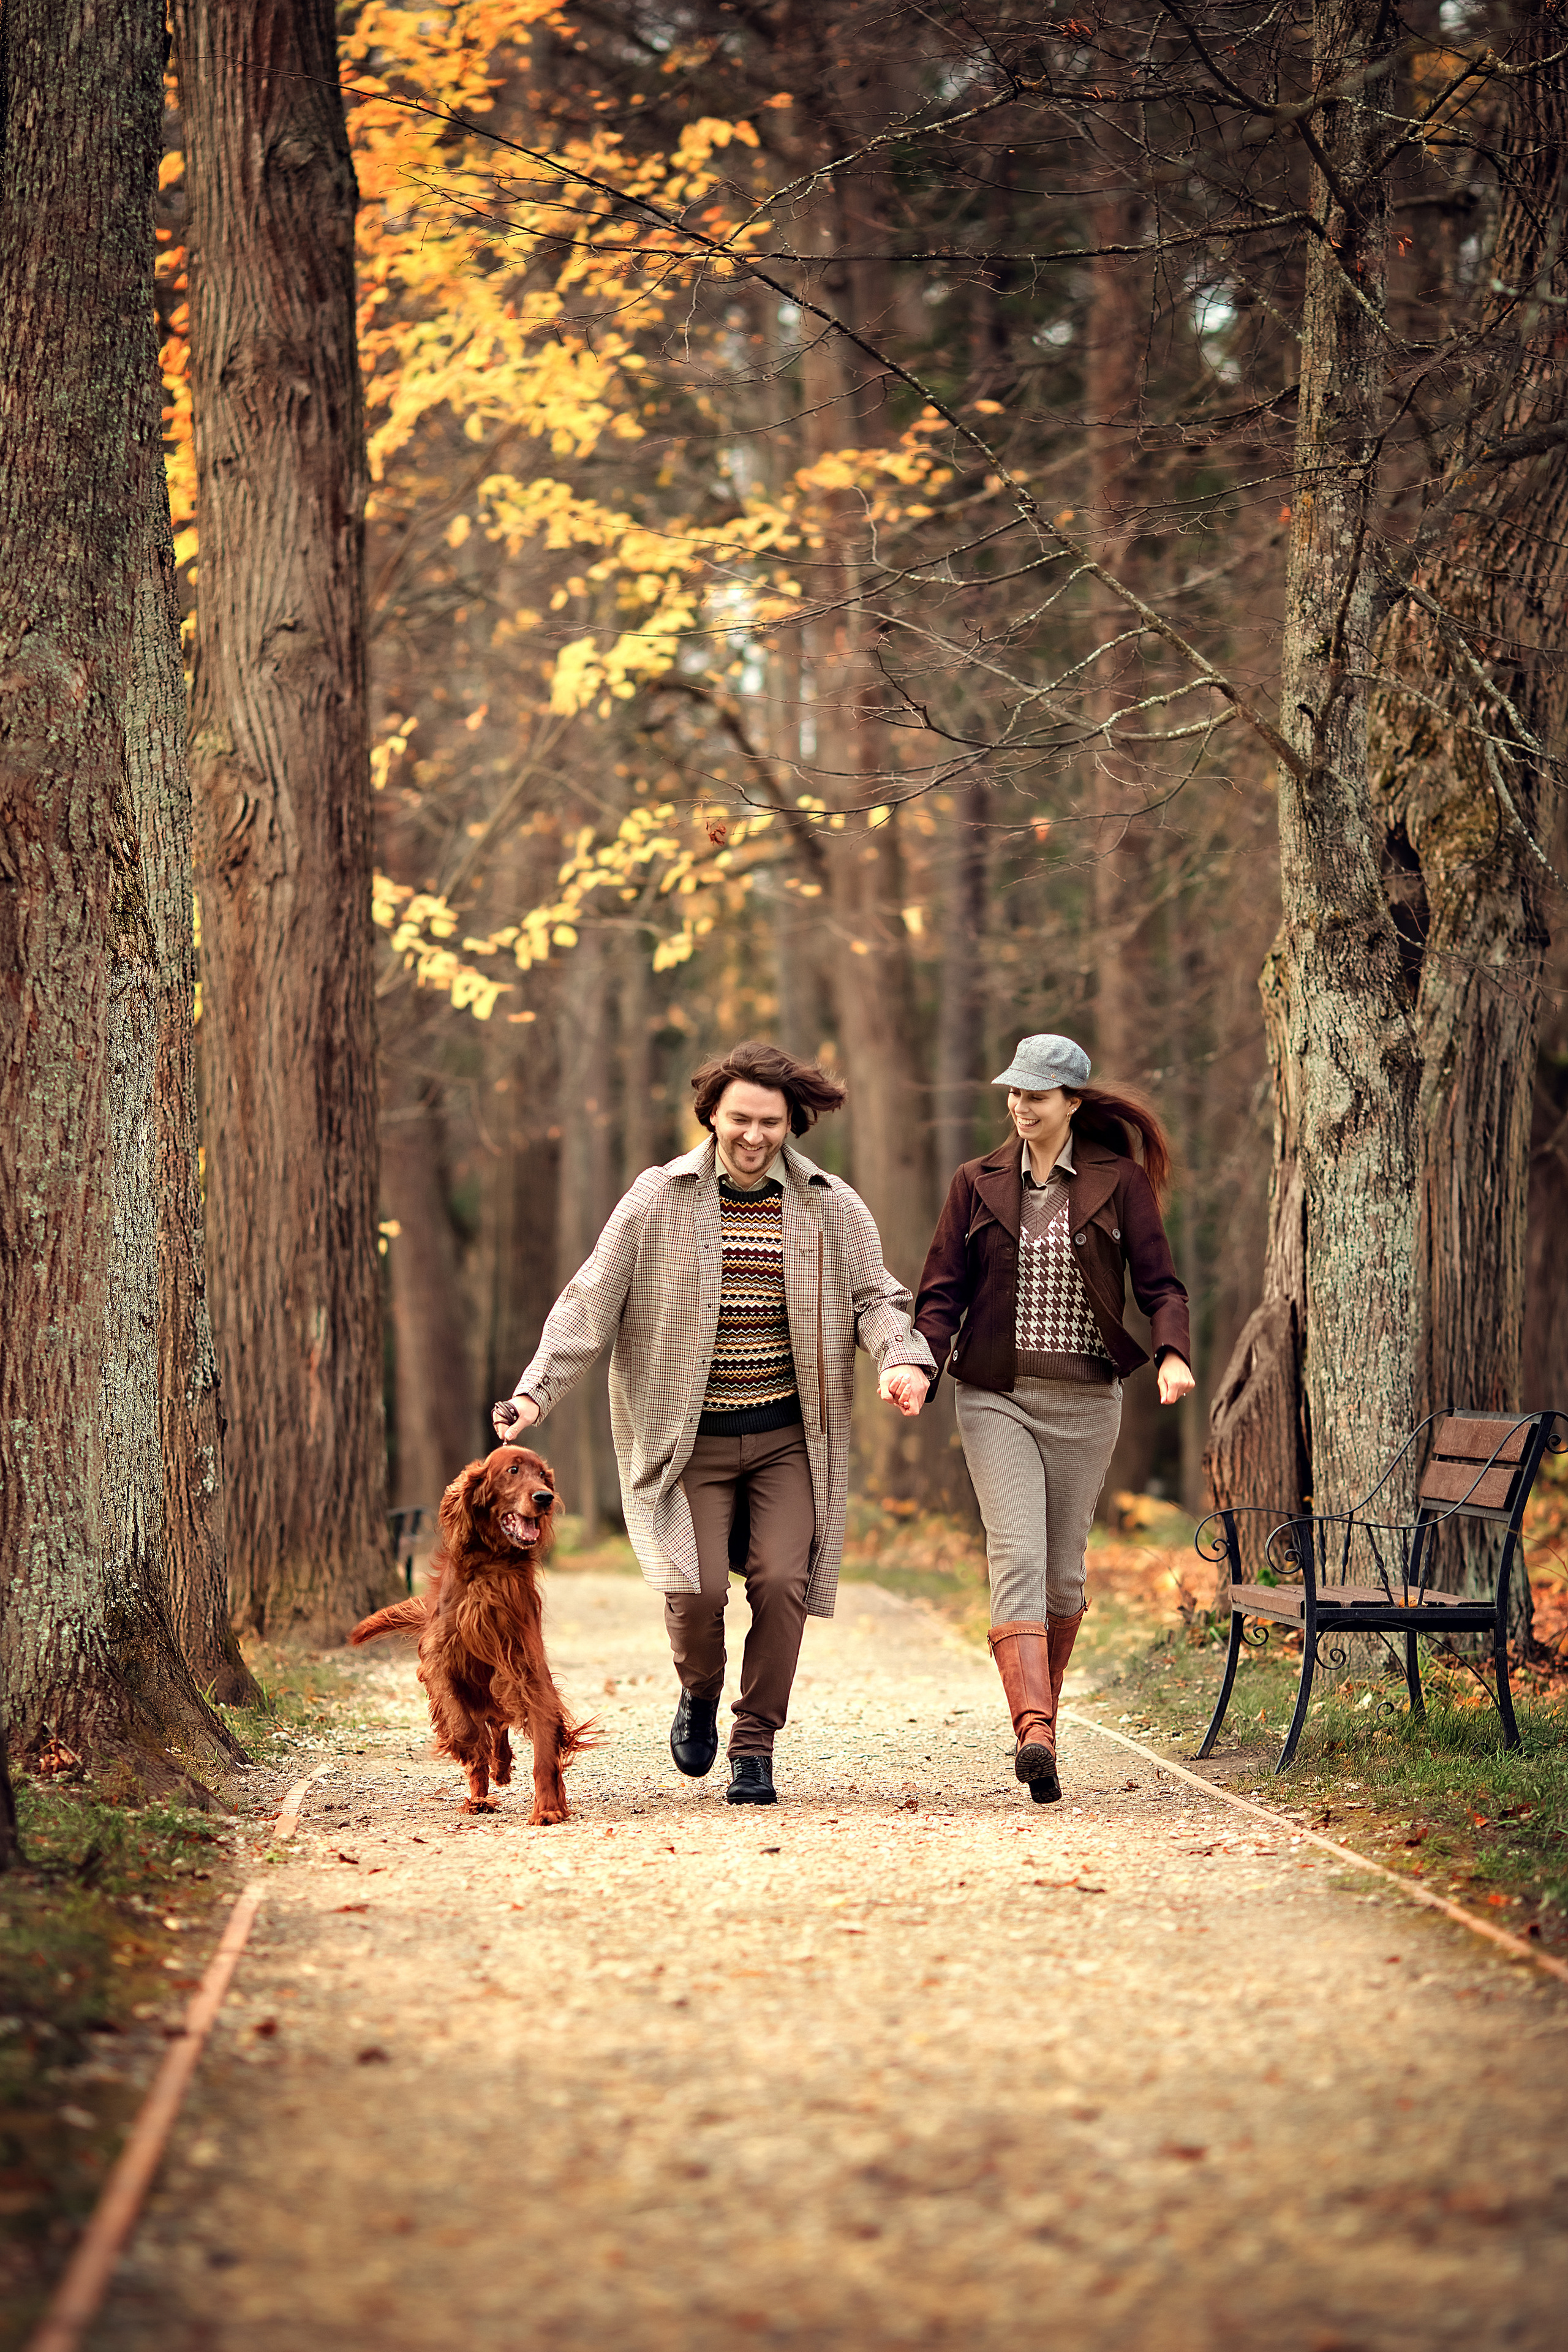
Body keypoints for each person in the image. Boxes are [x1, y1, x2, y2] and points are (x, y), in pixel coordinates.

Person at [491, 1039, 935, 1807]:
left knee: (783, 1581)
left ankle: (754, 1744)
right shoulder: (656, 1199)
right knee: (694, 1592)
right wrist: (533, 1395)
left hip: (788, 1440)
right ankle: (699, 1692)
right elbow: (589, 1303)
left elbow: (877, 1298)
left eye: (770, 1122)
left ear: (791, 1124)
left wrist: (902, 1358)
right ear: (711, 1116)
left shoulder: (831, 1204)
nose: (754, 1136)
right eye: (740, 1119)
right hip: (687, 1443)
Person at [905, 1033, 1194, 1804]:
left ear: (1070, 1102)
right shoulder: (976, 1181)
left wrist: (1171, 1353)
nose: (1019, 1107)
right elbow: (941, 1293)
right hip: (993, 1392)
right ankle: (1034, 1729)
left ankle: (1044, 1719)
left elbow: (1161, 1285)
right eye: (1014, 1093)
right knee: (1017, 1555)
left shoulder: (1119, 1182)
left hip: (1086, 1399)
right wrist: (918, 1365)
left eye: (1035, 1096)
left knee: (1063, 1574)